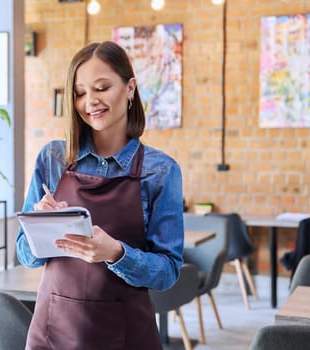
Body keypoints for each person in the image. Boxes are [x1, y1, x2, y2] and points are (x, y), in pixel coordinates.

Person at [16, 40, 184, 350]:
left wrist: (117, 254)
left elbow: (168, 272)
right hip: (53, 331)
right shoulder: (52, 159)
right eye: (80, 93)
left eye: (102, 87)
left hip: (125, 334)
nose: (90, 101)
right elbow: (25, 255)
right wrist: (41, 227)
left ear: (130, 88)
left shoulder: (160, 171)